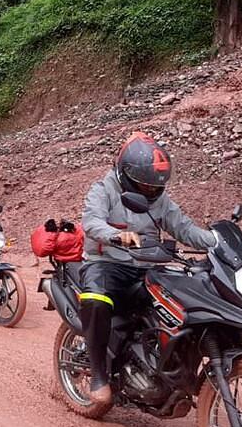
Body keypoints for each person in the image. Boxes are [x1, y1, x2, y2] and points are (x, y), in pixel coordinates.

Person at [79, 132, 217, 406]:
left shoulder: (160, 200)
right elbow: (92, 222)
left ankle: (164, 367)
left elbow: (183, 228)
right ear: (125, 173)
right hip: (107, 264)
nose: (151, 192)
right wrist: (116, 235)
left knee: (187, 304)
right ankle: (98, 374)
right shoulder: (103, 190)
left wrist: (216, 241)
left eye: (156, 187)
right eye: (146, 186)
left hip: (148, 267)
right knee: (96, 300)